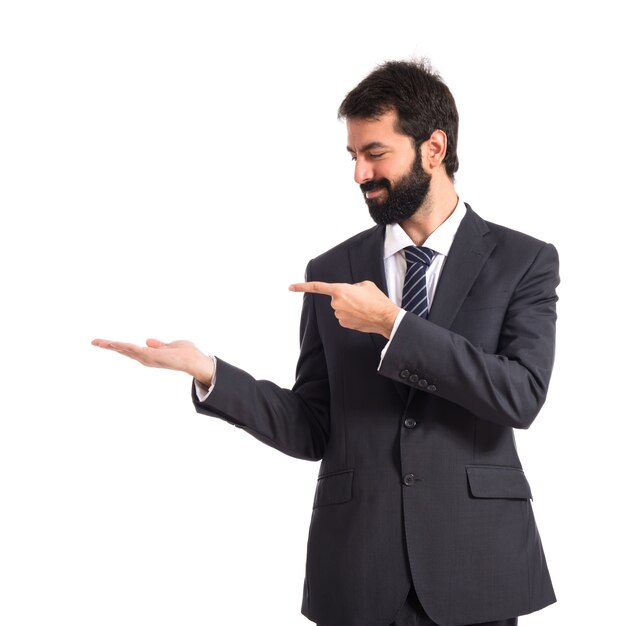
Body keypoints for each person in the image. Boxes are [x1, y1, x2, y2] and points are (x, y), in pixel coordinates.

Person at [92, 59, 558, 626]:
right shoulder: (332, 269)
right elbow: (314, 425)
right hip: (360, 567)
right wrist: (210, 371)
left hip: (476, 563)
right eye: (353, 156)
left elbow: (521, 394)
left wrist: (394, 325)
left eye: (375, 153)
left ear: (433, 148)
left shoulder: (523, 260)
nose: (360, 173)